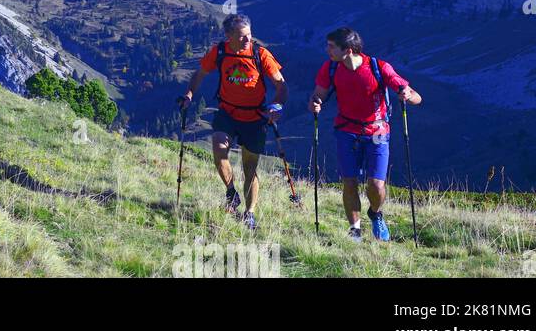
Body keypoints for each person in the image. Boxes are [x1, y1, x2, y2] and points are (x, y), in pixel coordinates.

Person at [307, 27, 422, 242]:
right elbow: (317, 94)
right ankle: (355, 231)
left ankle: (375, 213)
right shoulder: (331, 68)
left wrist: (407, 94)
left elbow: (416, 97)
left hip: (377, 131)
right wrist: (314, 104)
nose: (327, 50)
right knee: (349, 182)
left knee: (376, 184)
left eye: (331, 47)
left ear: (348, 50)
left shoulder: (379, 68)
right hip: (346, 131)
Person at [179, 14, 288, 231]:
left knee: (250, 168)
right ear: (229, 36)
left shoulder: (260, 53)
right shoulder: (220, 51)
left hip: (255, 117)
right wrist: (189, 94)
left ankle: (249, 213)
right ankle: (231, 192)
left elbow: (281, 85)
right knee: (219, 151)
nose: (248, 40)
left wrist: (277, 105)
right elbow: (199, 74)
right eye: (242, 36)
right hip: (227, 112)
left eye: (249, 35)